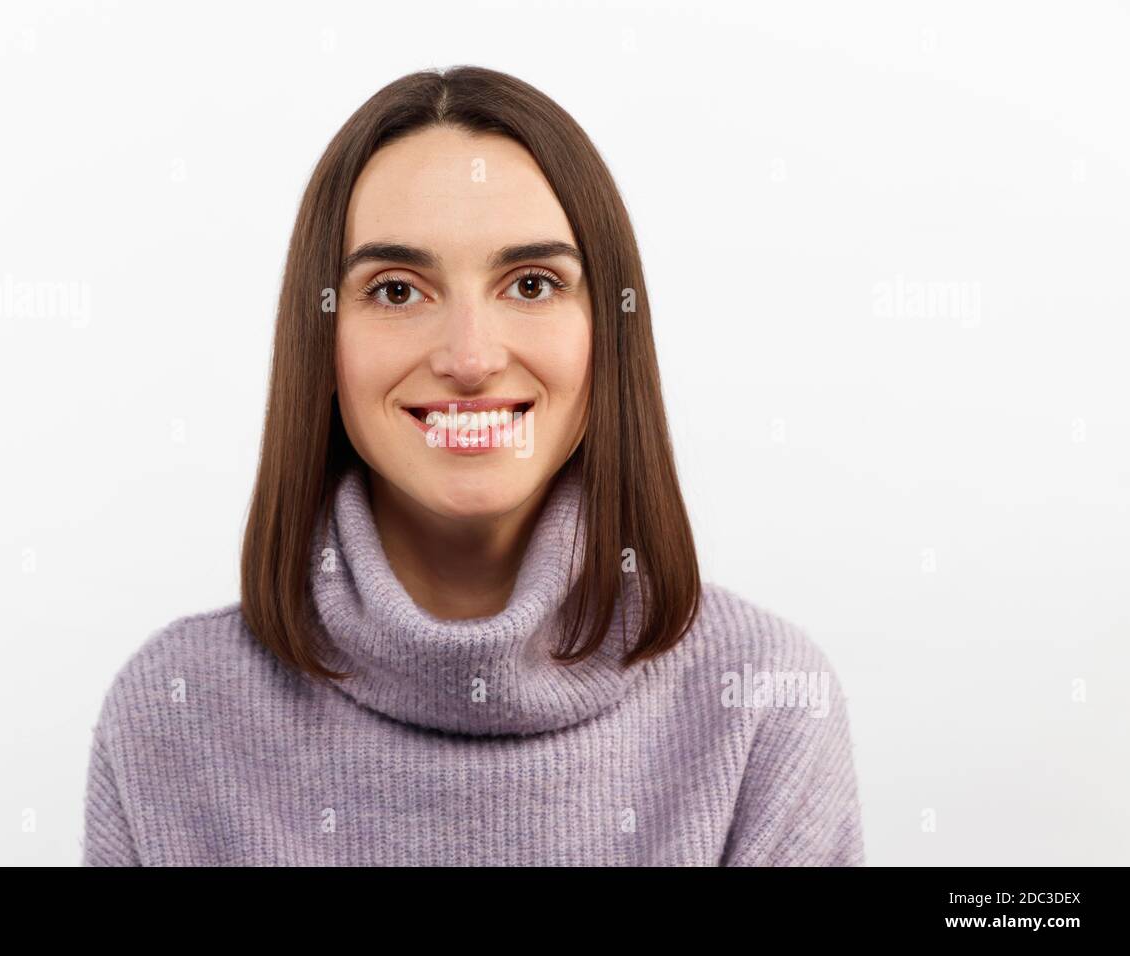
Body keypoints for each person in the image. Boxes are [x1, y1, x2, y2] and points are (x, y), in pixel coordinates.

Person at [83, 65, 864, 866]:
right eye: (395, 292)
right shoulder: (172, 714)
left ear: (609, 333)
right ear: (321, 338)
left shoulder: (764, 703)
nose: (470, 358)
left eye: (531, 284)